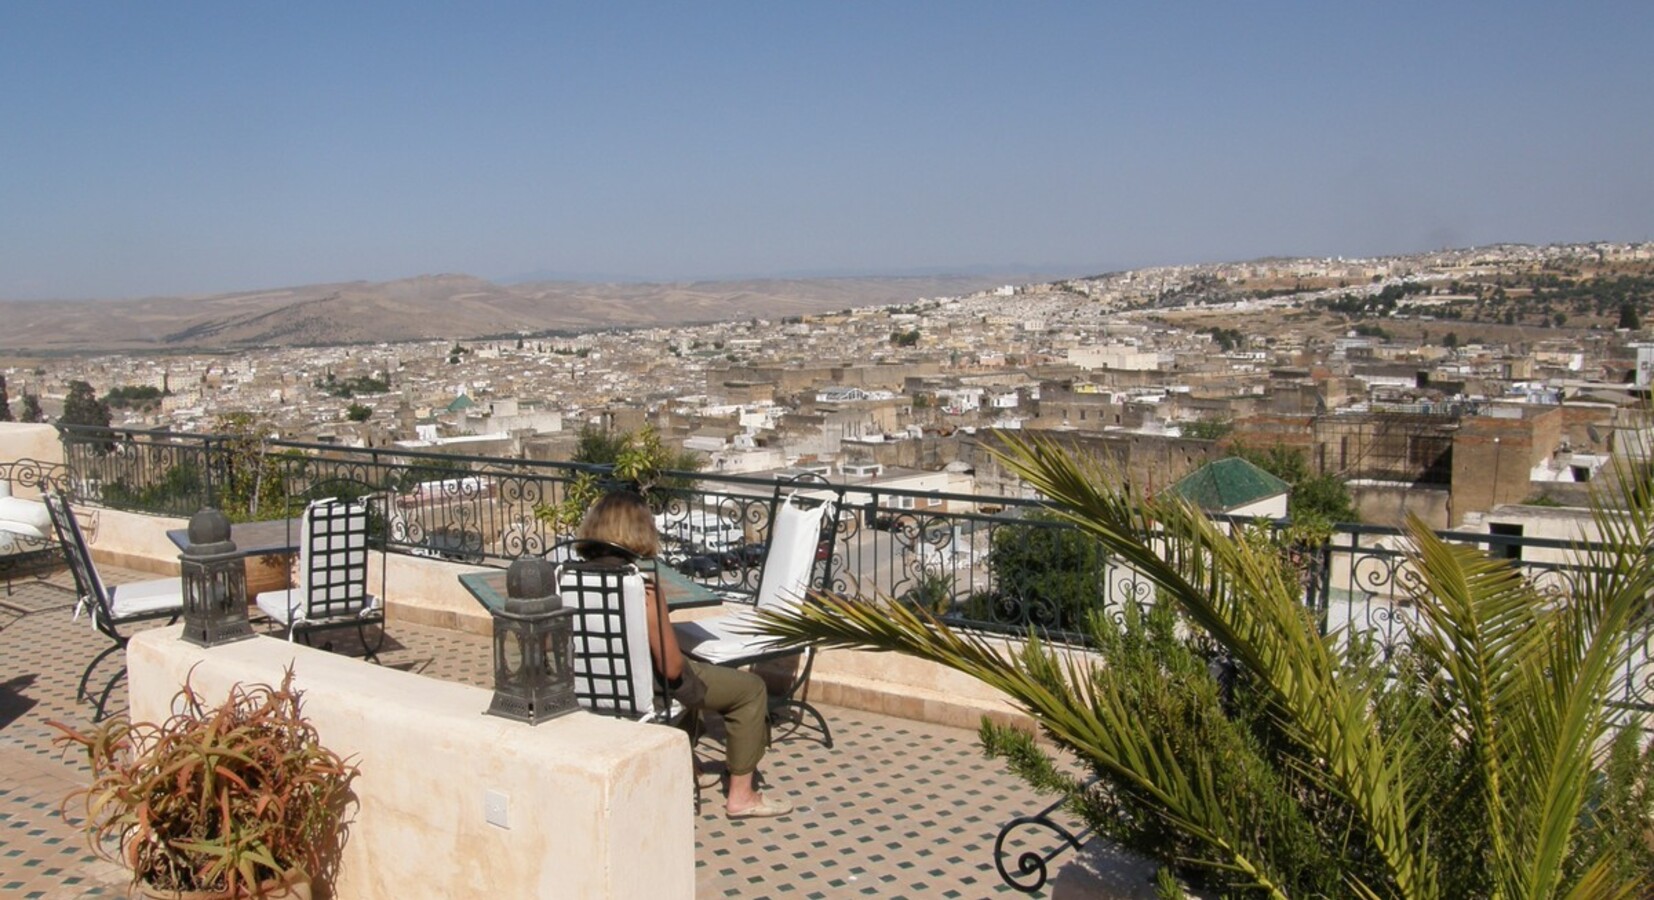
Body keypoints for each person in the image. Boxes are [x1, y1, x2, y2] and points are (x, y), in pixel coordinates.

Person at [575, 491, 792, 819]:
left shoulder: (569, 580)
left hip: (593, 692)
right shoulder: (641, 589)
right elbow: (673, 667)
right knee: (749, 690)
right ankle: (742, 796)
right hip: (645, 694)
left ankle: (687, 766)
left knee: (693, 680)